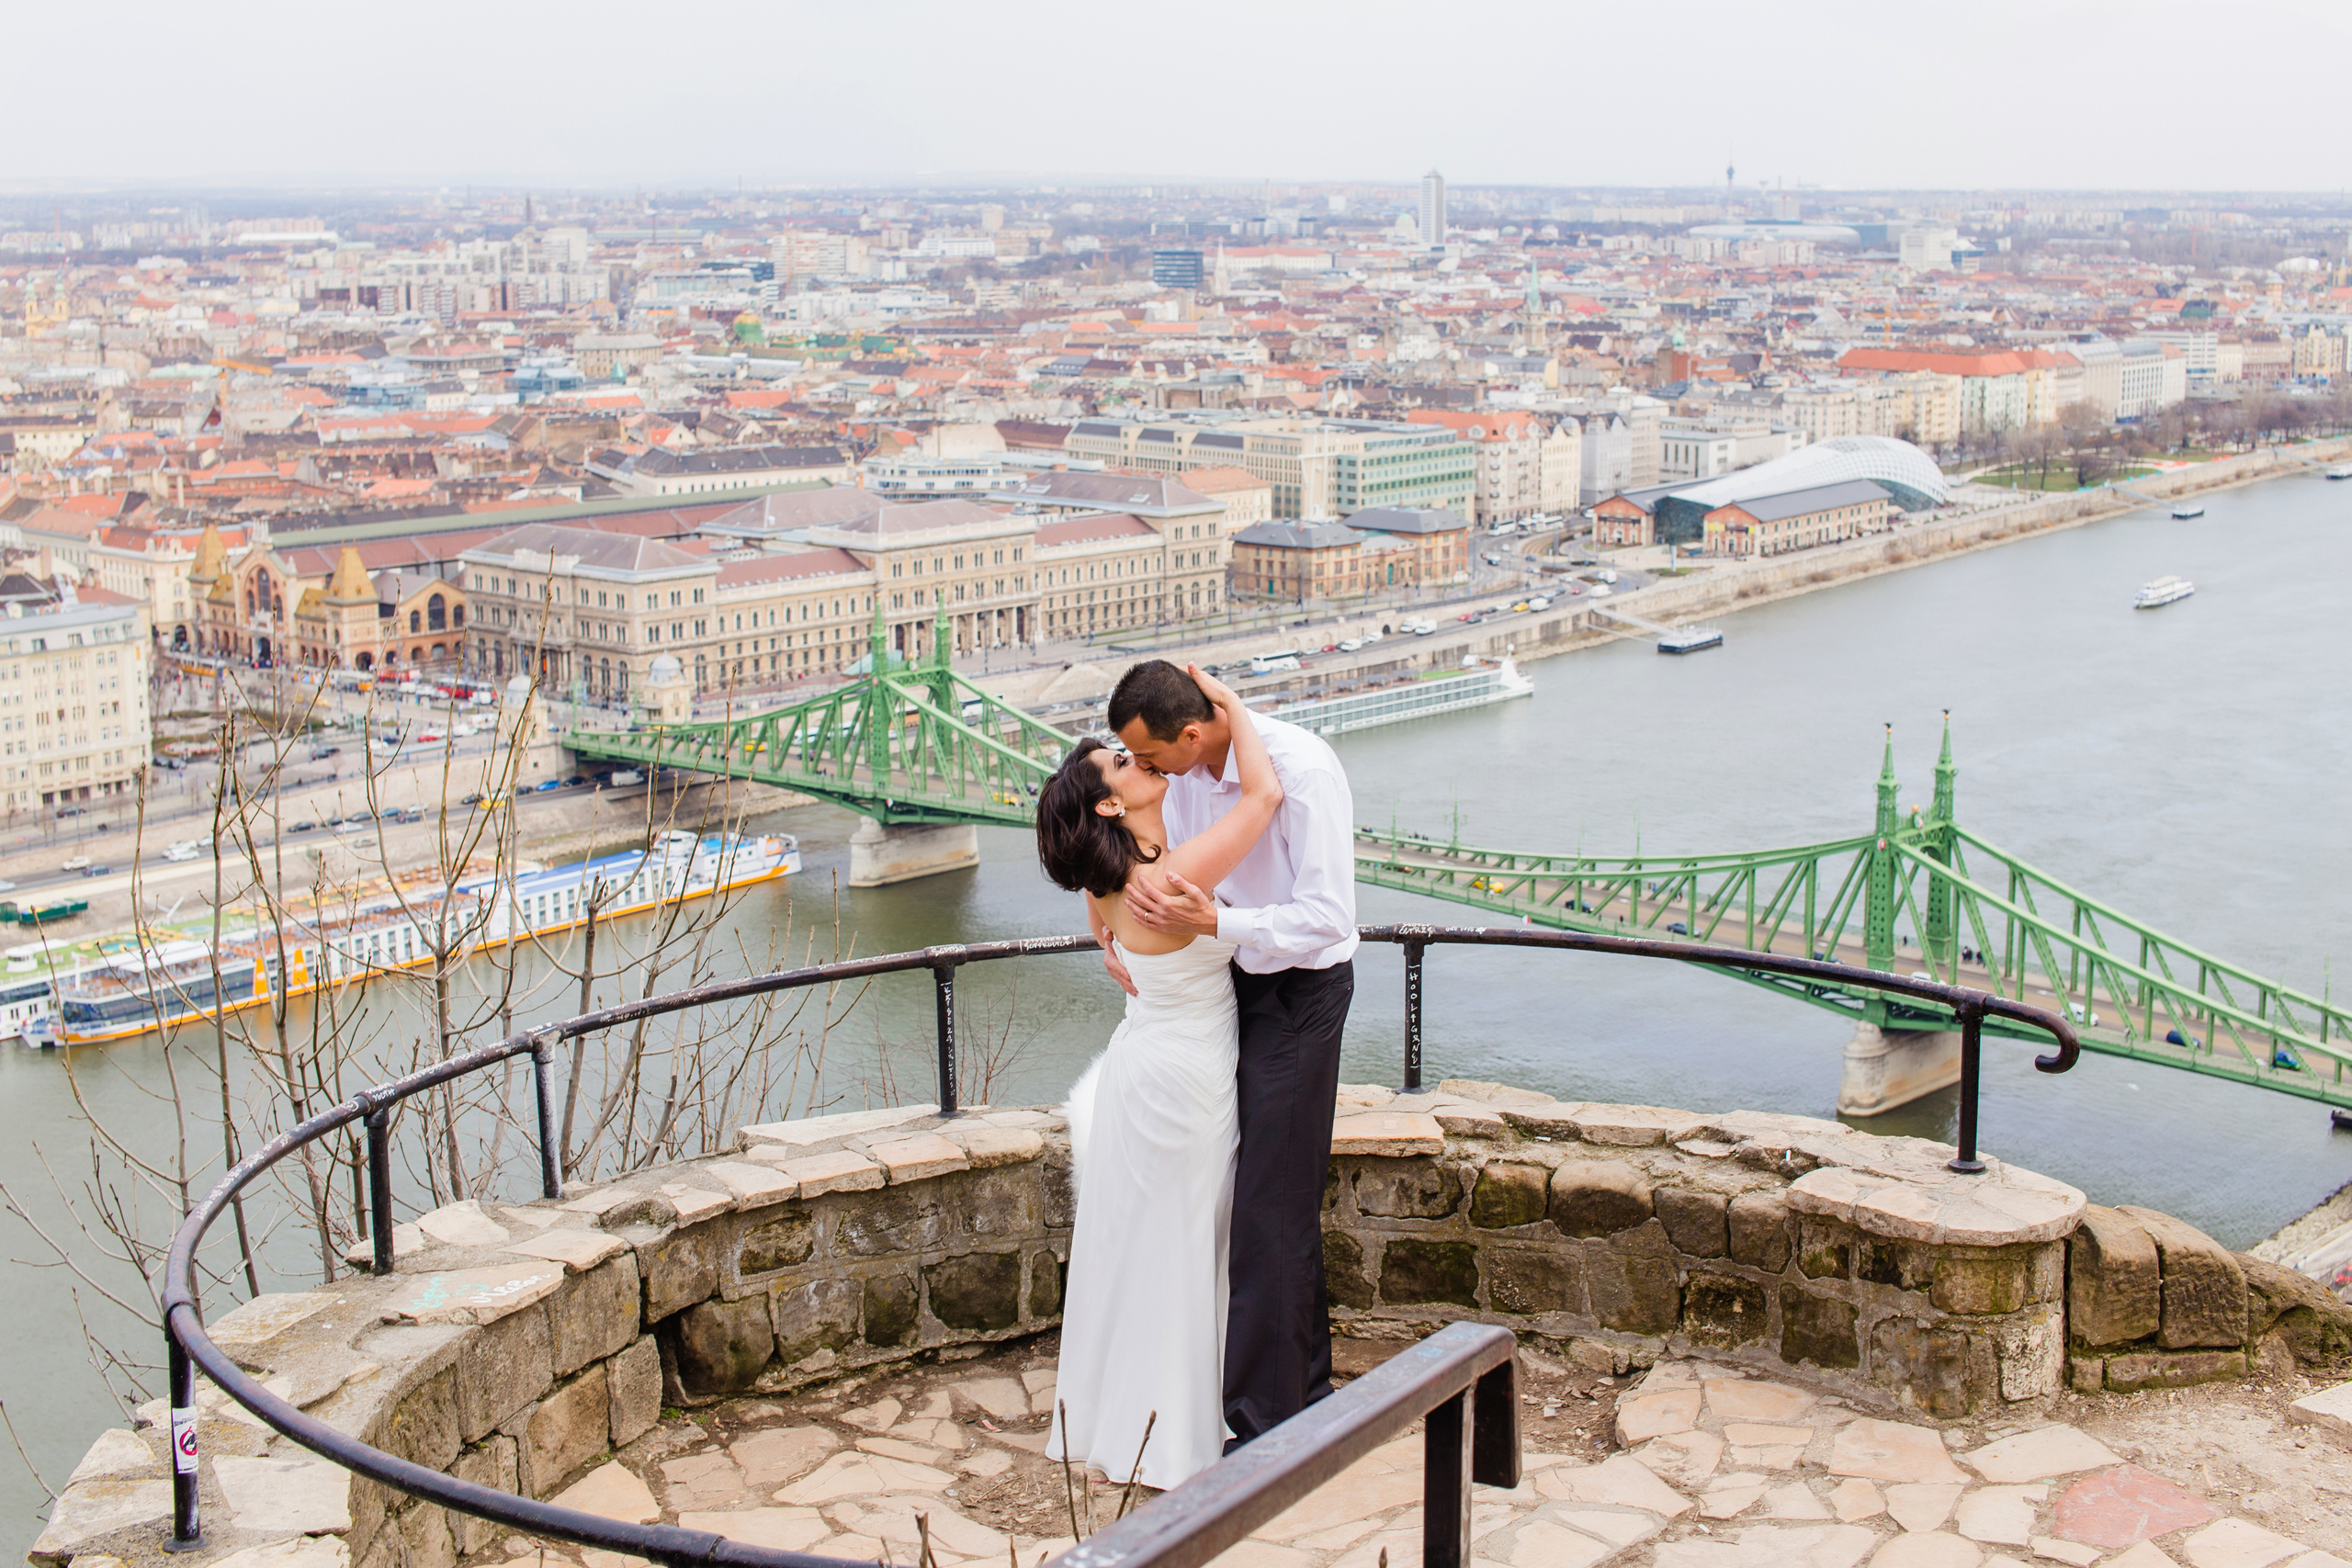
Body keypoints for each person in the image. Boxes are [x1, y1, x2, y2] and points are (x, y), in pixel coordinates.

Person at [1034, 664, 1284, 1490]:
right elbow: (1263, 801)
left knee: (1137, 1242)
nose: (1139, 760)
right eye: (1121, 763)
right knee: (1185, 1243)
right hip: (1184, 1077)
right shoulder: (1168, 881)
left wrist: (1104, 940)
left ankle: (1119, 1417)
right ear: (1110, 802)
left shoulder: (1112, 882)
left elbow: (1093, 891)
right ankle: (1175, 1433)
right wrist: (1233, 711)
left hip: (1144, 1064)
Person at [1107, 658, 1357, 1453]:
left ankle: (1266, 1425)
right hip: (1224, 994)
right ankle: (1301, 1387)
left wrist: (1222, 927)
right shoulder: (1176, 770)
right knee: (1249, 1198)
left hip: (1297, 995)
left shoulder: (1301, 769)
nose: (1142, 775)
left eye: (1148, 759)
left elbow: (1327, 915)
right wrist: (1104, 918)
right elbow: (1122, 836)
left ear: (1189, 735)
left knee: (1268, 1209)